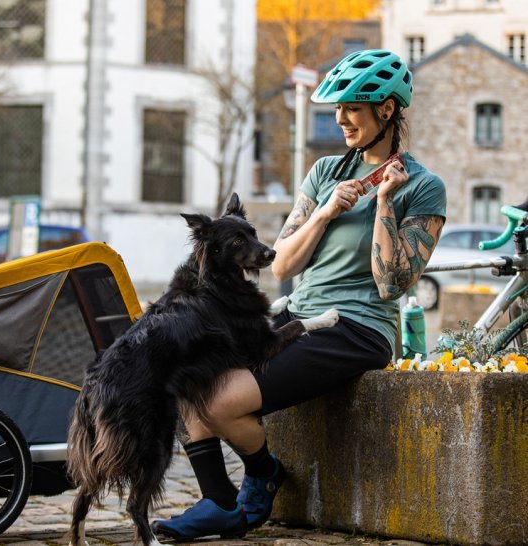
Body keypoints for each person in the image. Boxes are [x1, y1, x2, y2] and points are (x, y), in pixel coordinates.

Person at [151, 49, 447, 540]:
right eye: (339, 107)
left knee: (220, 401)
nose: (340, 119)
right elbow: (284, 264)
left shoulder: (422, 187)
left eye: (353, 107)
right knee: (183, 377)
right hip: (299, 313)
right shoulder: (325, 174)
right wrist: (325, 212)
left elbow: (392, 282)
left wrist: (385, 205)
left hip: (356, 327)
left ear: (387, 110)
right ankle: (218, 503)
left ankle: (262, 476)